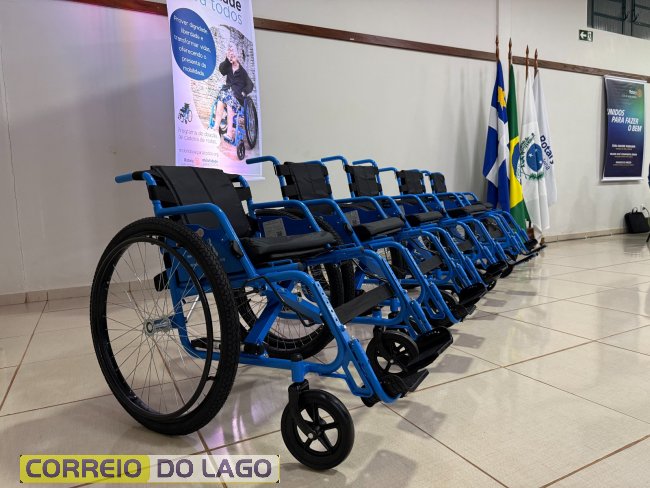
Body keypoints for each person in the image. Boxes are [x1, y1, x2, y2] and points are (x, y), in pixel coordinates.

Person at [213, 43, 254, 142]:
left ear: (237, 55)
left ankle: (229, 133)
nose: (232, 56)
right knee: (221, 98)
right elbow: (221, 70)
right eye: (230, 54)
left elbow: (250, 85)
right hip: (226, 94)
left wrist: (244, 92)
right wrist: (227, 60)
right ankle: (215, 128)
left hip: (236, 97)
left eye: (233, 54)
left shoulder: (243, 72)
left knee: (230, 101)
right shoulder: (228, 66)